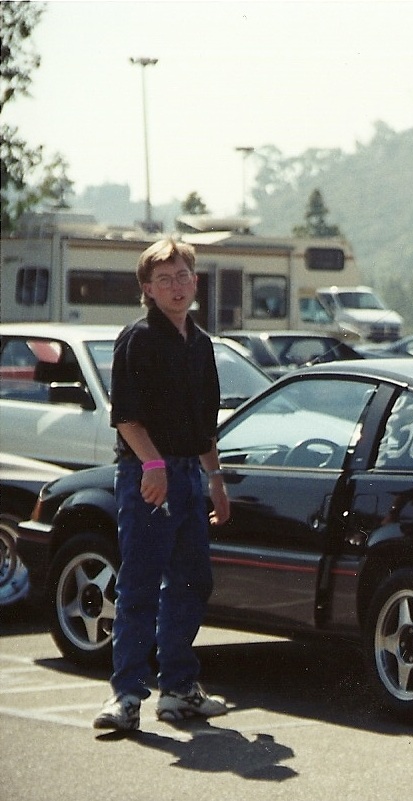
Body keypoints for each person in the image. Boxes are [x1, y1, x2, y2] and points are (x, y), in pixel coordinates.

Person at [93, 238, 232, 732]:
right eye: (165, 279)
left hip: (189, 475)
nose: (176, 286)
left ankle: (177, 691)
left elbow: (203, 426)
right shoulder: (138, 339)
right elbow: (125, 416)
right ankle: (126, 697)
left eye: (183, 276)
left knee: (193, 581)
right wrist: (153, 466)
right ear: (148, 289)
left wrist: (214, 478)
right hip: (145, 474)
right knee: (140, 584)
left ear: (196, 282)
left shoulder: (201, 344)